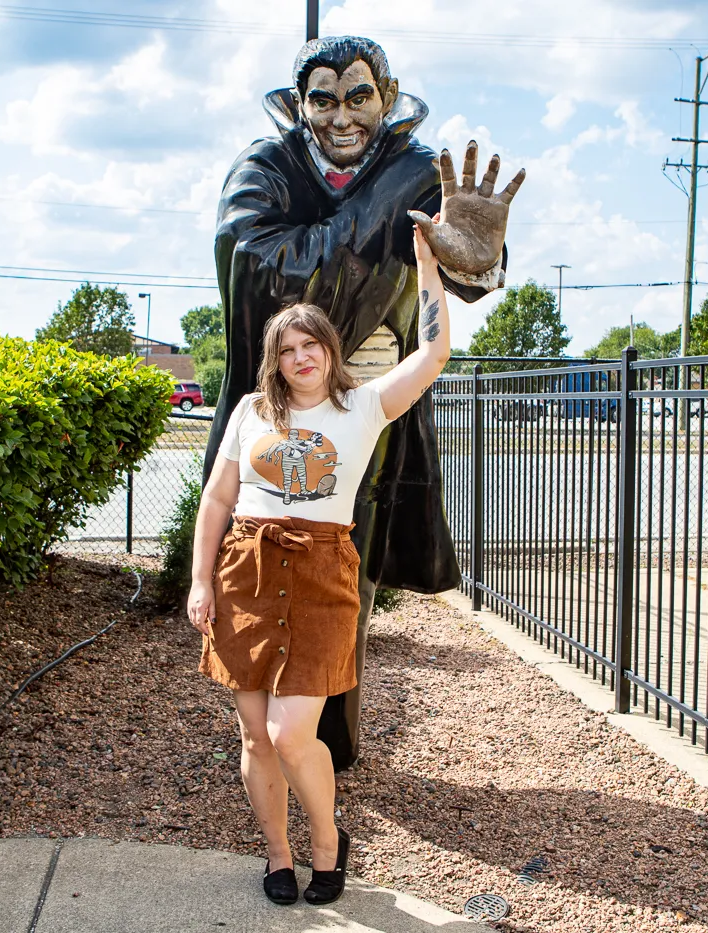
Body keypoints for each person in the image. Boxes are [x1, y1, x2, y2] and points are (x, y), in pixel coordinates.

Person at [188, 153, 519, 906]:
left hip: (321, 573)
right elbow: (215, 501)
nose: (301, 358)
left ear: (329, 352)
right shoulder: (250, 413)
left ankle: (328, 839)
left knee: (290, 732)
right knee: (251, 735)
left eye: (312, 346)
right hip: (245, 568)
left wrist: (430, 265)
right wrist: (201, 581)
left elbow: (434, 352)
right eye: (288, 350)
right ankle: (277, 854)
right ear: (276, 360)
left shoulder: (359, 408)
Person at [207, 35, 525, 770]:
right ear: (299, 104)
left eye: (359, 97)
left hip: (367, 424)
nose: (342, 116)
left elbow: (458, 259)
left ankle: (327, 742)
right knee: (261, 567)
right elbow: (260, 262)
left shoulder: (419, 173)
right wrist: (386, 214)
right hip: (276, 415)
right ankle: (269, 735)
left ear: (385, 97)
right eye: (324, 98)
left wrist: (481, 260)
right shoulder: (268, 168)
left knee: (345, 571)